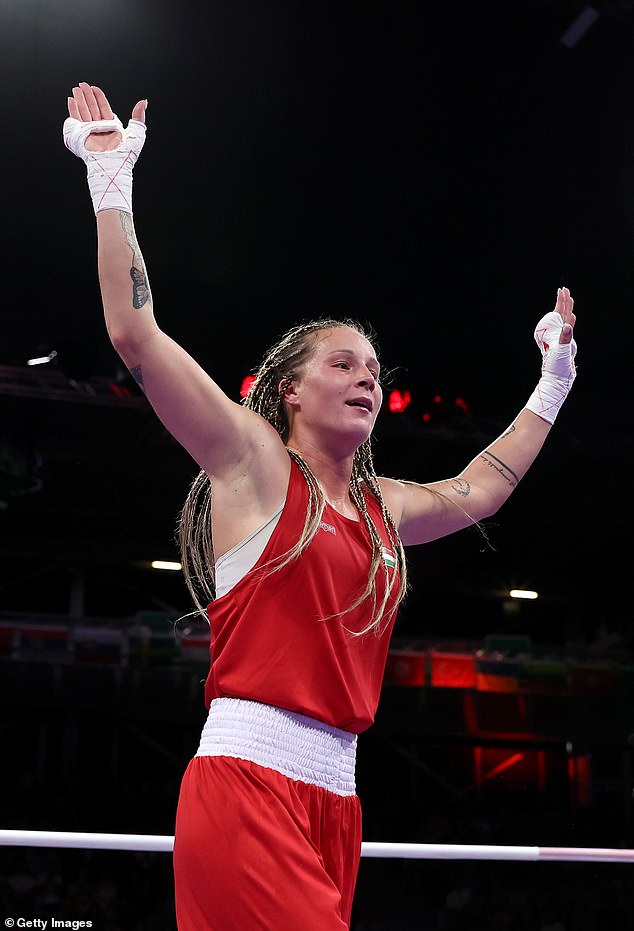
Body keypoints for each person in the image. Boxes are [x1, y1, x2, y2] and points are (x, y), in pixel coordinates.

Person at [64, 83, 577, 930]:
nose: (367, 376)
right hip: (247, 785)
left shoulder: (383, 510)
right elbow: (135, 334)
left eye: (374, 368)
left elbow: (485, 484)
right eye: (343, 364)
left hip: (337, 803)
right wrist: (110, 180)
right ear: (291, 391)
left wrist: (552, 385)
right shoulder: (253, 463)